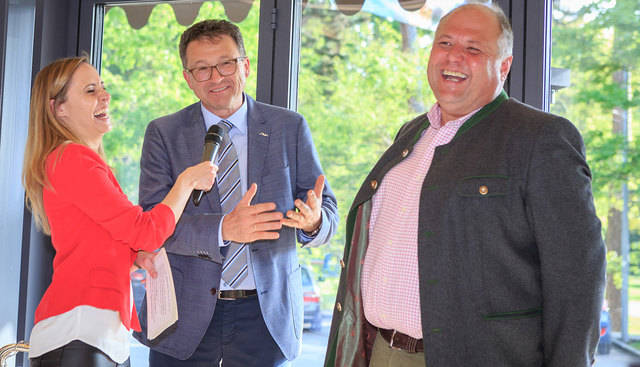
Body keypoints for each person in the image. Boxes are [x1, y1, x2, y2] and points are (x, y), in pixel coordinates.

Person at [324, 2, 606, 367]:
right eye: (444, 43)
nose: (454, 57)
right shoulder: (411, 133)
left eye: (473, 48)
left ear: (503, 66)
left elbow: (577, 280)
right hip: (380, 351)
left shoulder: (541, 138)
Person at [132, 19, 339, 366]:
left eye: (225, 63)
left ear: (244, 65)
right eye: (202, 69)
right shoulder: (164, 134)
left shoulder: (289, 126)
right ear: (188, 78)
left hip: (266, 314)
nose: (216, 77)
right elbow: (151, 225)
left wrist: (314, 222)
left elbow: (327, 208)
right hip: (183, 313)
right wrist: (222, 229)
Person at [22, 56, 217, 367]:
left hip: (98, 336)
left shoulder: (76, 162)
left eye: (103, 86)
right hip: (81, 334)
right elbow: (146, 230)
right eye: (90, 90)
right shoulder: (73, 159)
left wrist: (134, 257)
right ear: (58, 109)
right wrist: (186, 181)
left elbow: (95, 242)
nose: (105, 95)